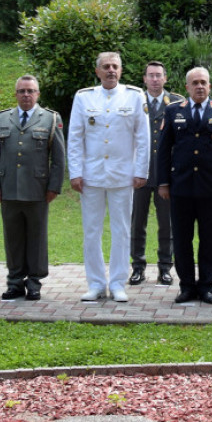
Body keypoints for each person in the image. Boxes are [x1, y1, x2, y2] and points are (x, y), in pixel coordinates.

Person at [68, 52, 150, 302]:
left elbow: (143, 137)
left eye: (115, 66)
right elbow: (75, 137)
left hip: (122, 176)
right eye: (106, 67)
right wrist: (75, 172)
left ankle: (117, 283)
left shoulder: (135, 96)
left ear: (121, 71)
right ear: (98, 72)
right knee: (91, 231)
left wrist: (141, 171)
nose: (111, 70)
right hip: (91, 176)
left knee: (122, 230)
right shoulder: (84, 97)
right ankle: (95, 284)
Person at [158, 67, 212, 304]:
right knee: (182, 239)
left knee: (209, 239)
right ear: (187, 88)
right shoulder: (173, 111)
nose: (200, 86)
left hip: (211, 188)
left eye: (204, 82)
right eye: (195, 83)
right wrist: (163, 182)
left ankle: (206, 286)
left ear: (210, 86)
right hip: (180, 187)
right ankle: (186, 286)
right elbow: (163, 151)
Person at [0, 75, 66, 301]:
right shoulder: (2, 118)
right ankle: (14, 282)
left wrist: (53, 187)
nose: (26, 95)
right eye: (21, 91)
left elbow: (58, 159)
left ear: (38, 94)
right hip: (8, 188)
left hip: (37, 189)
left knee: (36, 237)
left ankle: (34, 282)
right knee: (13, 238)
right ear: (16, 94)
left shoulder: (50, 119)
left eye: (30, 91)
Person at [130, 61, 184, 287]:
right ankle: (138, 268)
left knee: (167, 223)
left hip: (166, 175)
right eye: (150, 75)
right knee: (137, 223)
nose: (154, 79)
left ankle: (165, 268)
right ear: (144, 79)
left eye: (158, 75)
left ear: (165, 78)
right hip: (139, 172)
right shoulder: (134, 101)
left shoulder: (177, 103)